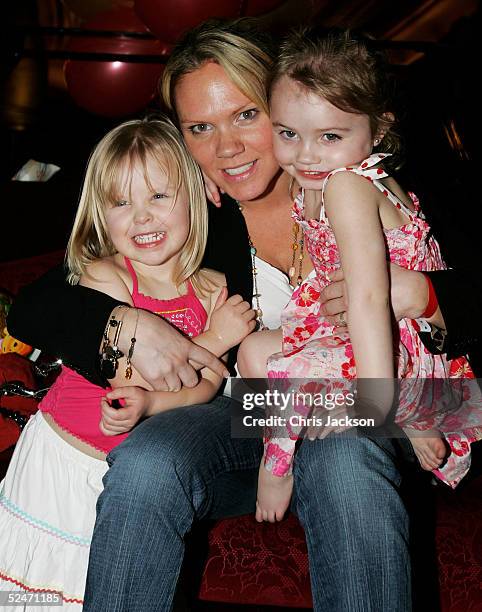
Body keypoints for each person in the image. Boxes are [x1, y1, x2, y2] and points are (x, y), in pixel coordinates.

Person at [6, 18, 471, 612]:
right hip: (258, 412)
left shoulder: (374, 173)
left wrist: (424, 296)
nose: (225, 148)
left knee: (343, 449)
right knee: (150, 461)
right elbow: (38, 305)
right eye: (201, 128)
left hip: (407, 397)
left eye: (245, 116)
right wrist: (128, 327)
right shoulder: (198, 216)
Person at [0, 117, 255, 608]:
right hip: (63, 460)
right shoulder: (107, 277)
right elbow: (129, 371)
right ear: (100, 213)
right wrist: (214, 336)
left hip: (121, 471)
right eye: (122, 203)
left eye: (159, 196)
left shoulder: (212, 286)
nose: (141, 217)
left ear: (195, 193)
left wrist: (155, 403)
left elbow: (206, 385)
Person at [236, 28, 482, 522]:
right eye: (288, 133)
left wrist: (379, 403)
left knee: (263, 363)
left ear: (378, 128)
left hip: (399, 347)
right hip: (366, 334)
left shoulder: (347, 186)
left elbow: (370, 300)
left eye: (330, 135)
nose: (304, 154)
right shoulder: (328, 170)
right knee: (255, 351)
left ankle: (281, 459)